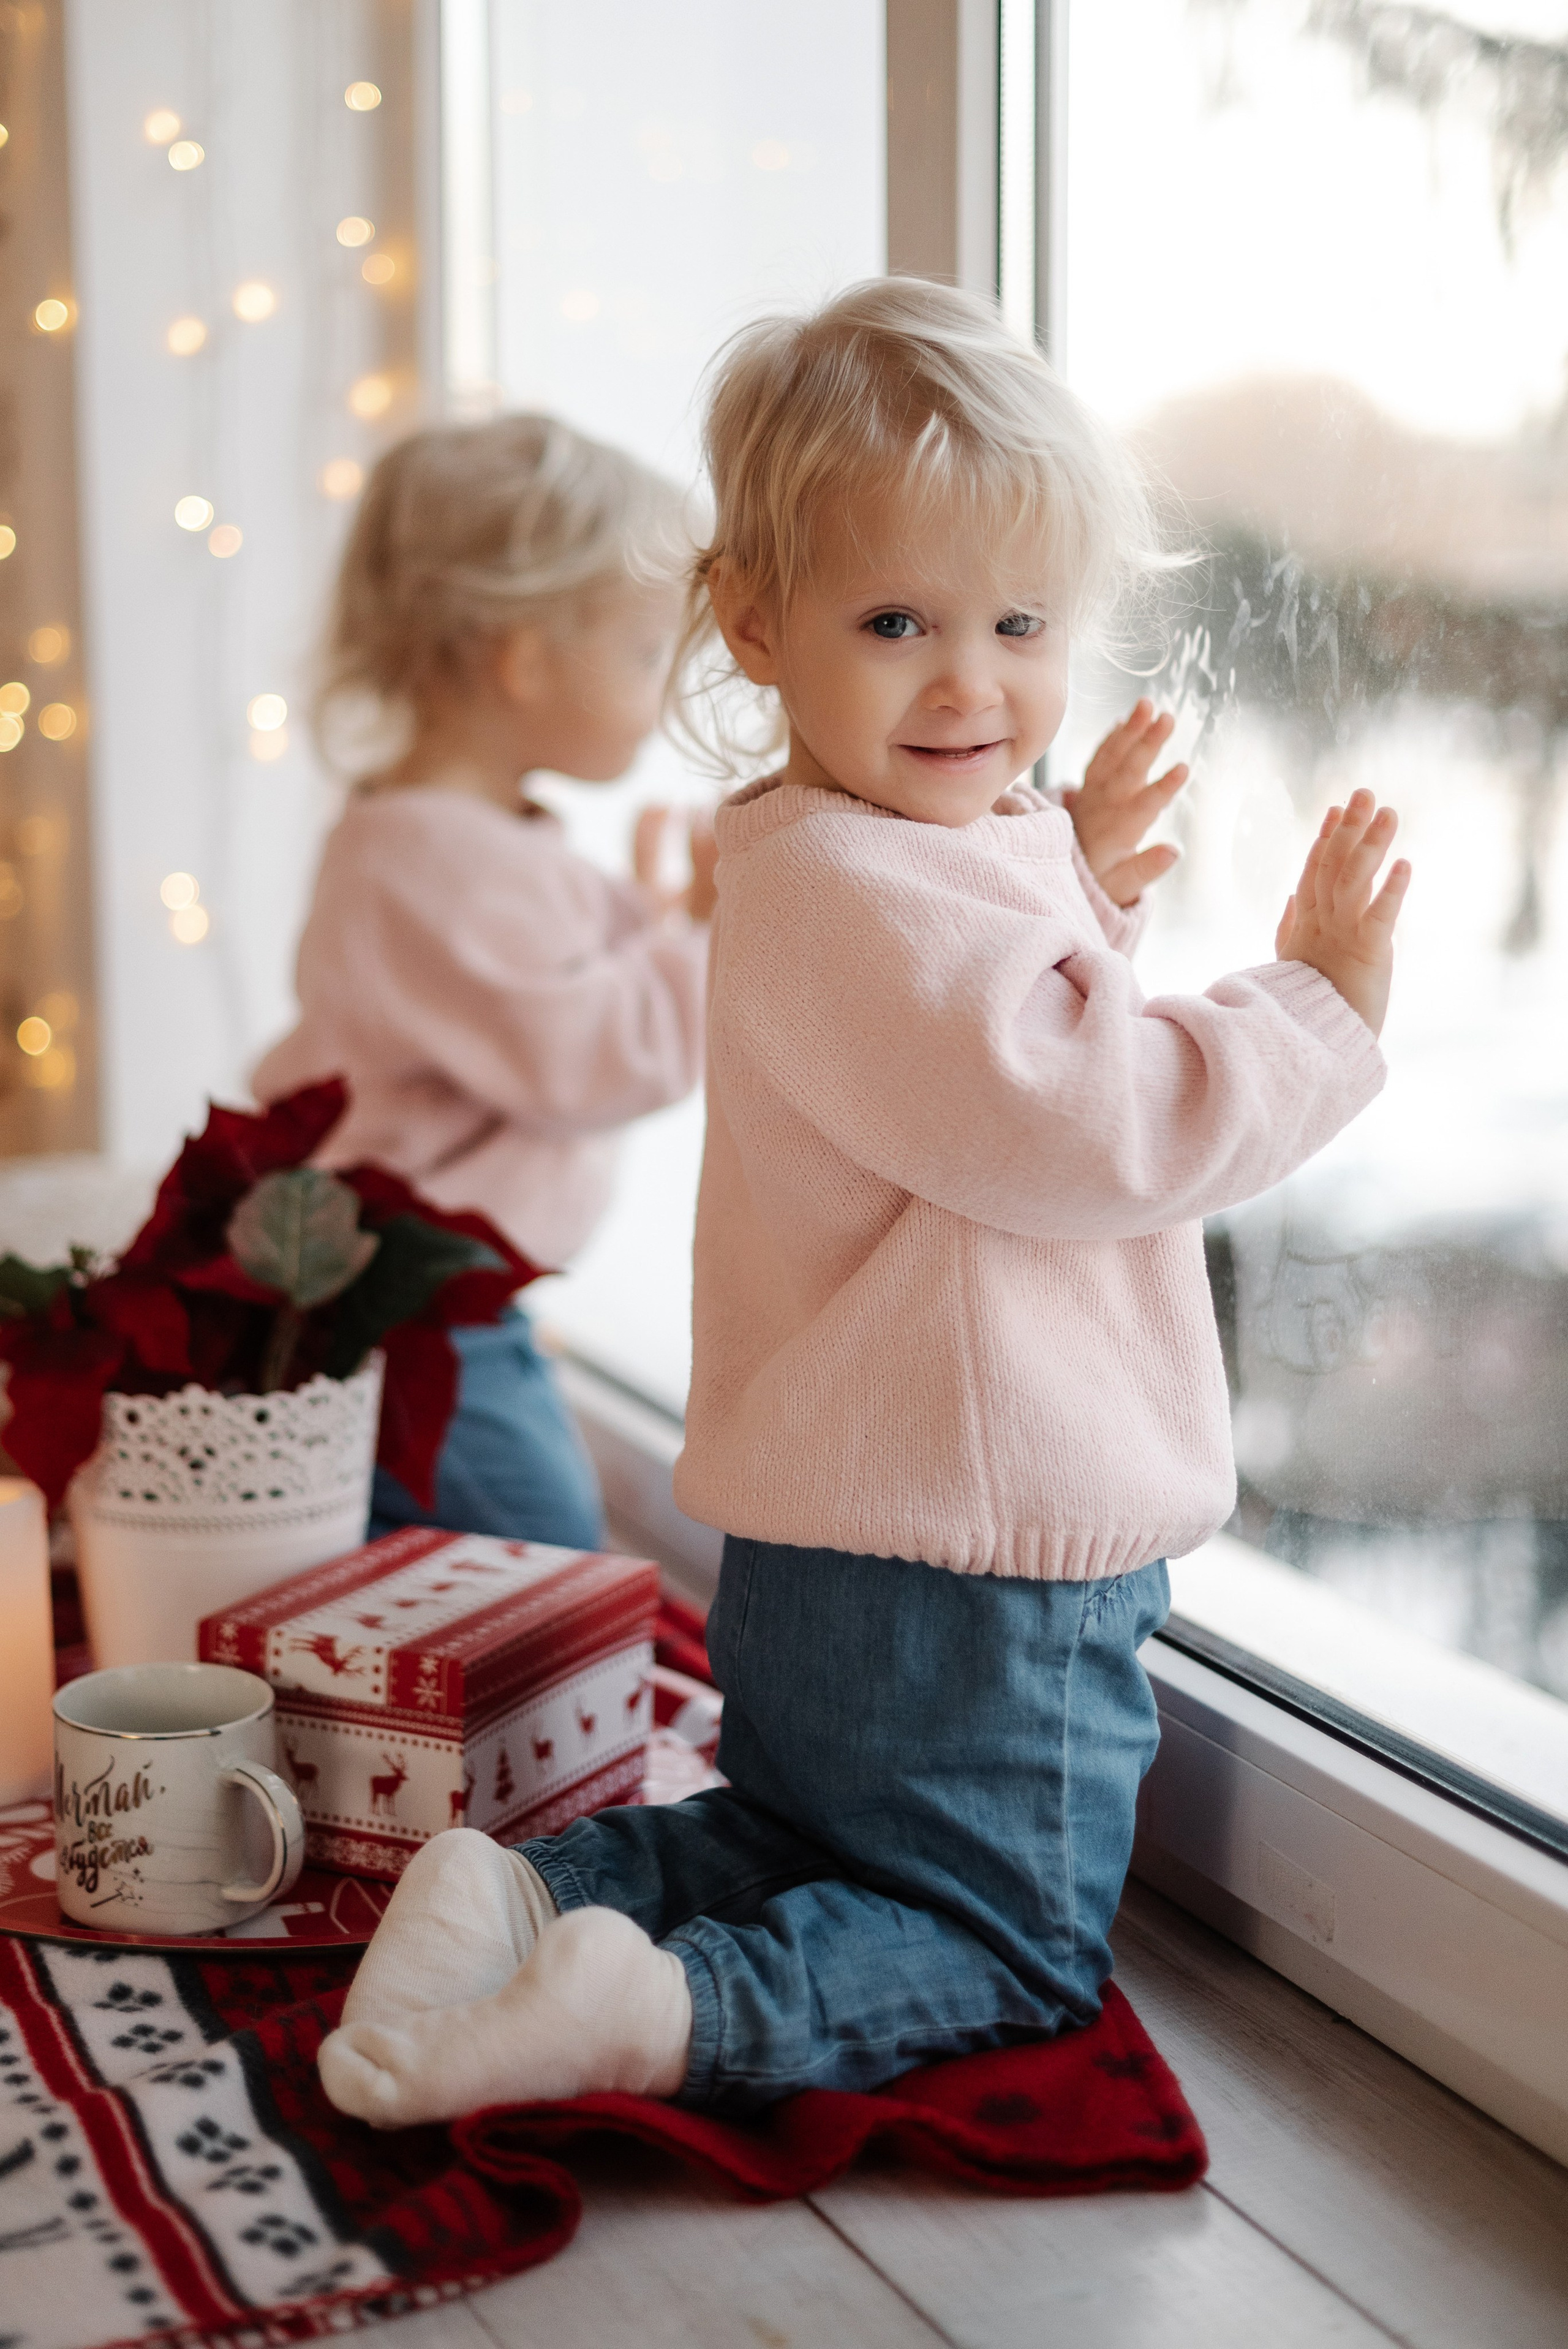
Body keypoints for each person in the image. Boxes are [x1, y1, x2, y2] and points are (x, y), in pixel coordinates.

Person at [317, 280, 1409, 2125]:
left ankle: (516, 1896)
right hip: (974, 1573)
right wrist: (1315, 1009)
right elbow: (1079, 1121)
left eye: (1021, 624)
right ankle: (660, 2017)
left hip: (844, 1552)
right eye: (897, 621)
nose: (972, 681)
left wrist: (1083, 884)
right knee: (1000, 1945)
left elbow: (982, 1061)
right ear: (751, 620)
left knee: (778, 1838)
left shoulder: (845, 861)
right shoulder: (857, 890)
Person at [253, 415, 715, 1551]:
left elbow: (539, 995)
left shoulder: (446, 840)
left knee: (462, 1542)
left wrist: (656, 918)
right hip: (411, 1321)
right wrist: (713, 928)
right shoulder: (434, 861)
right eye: (646, 651)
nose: (664, 687)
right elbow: (598, 1058)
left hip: (419, 1305)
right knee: (548, 1560)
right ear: (522, 656)